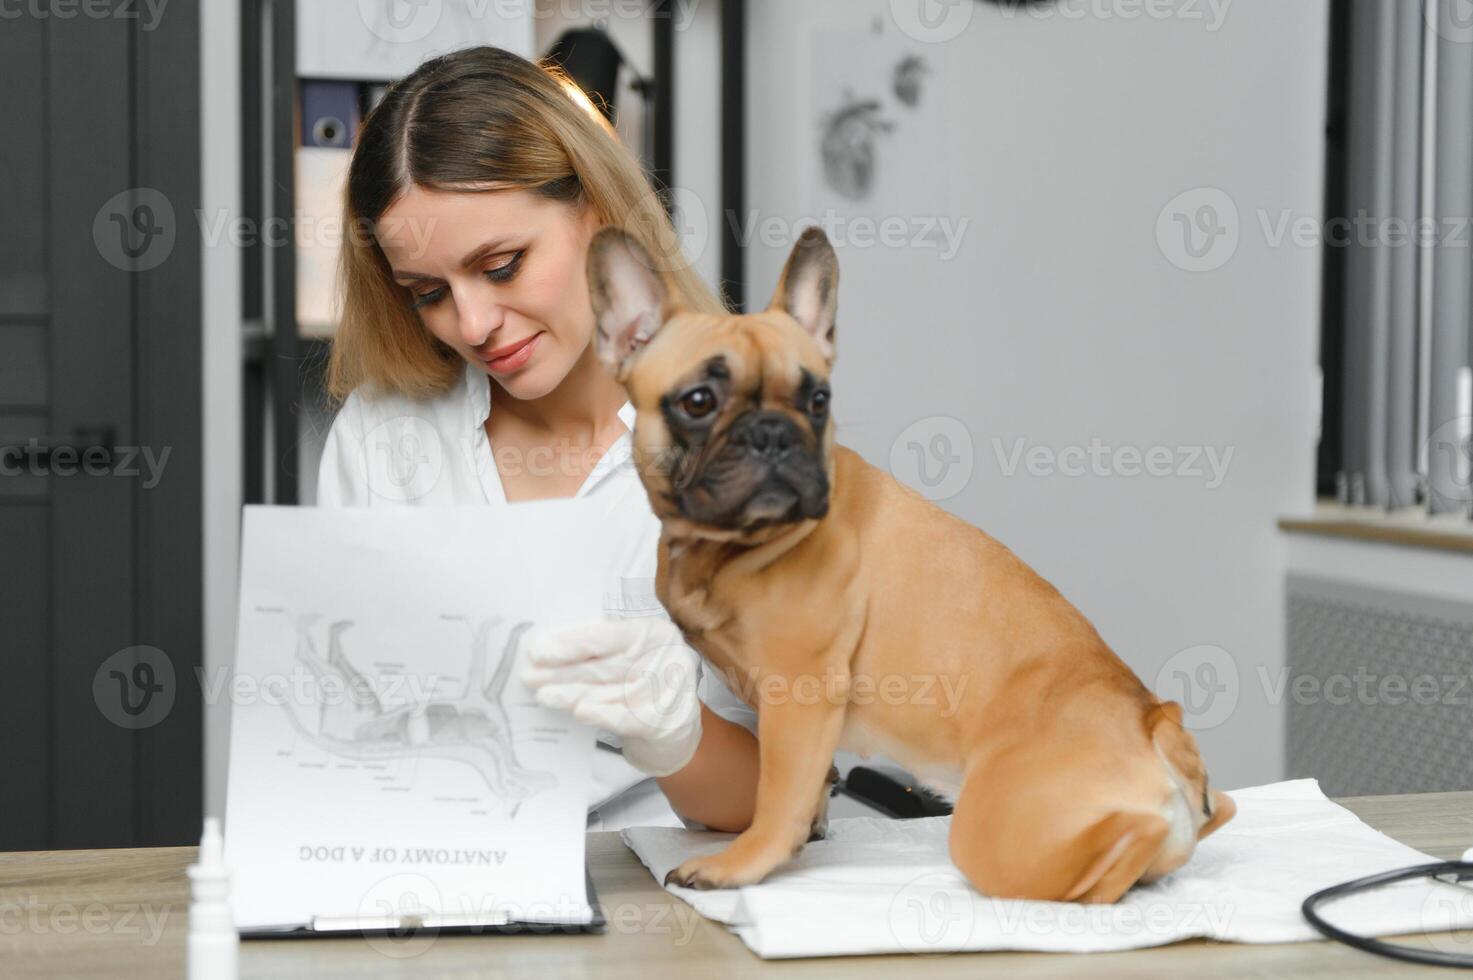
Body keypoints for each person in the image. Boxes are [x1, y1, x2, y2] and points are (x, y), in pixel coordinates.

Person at [316, 45, 759, 833]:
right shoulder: (384, 439)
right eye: (428, 294)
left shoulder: (736, 442)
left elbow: (780, 803)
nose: (474, 324)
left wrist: (674, 735)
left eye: (503, 264)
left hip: (659, 898)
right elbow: (343, 747)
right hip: (433, 880)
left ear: (597, 208)